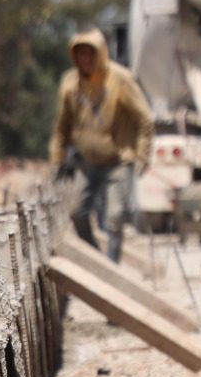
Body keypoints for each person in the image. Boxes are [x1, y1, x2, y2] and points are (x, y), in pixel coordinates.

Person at [49, 29, 154, 261]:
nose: (86, 60)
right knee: (77, 213)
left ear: (101, 54)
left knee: (115, 217)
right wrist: (57, 159)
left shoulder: (120, 80)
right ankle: (98, 260)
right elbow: (62, 125)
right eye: (81, 54)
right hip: (87, 163)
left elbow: (144, 119)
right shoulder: (70, 83)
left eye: (91, 54)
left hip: (118, 161)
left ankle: (113, 265)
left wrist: (142, 155)